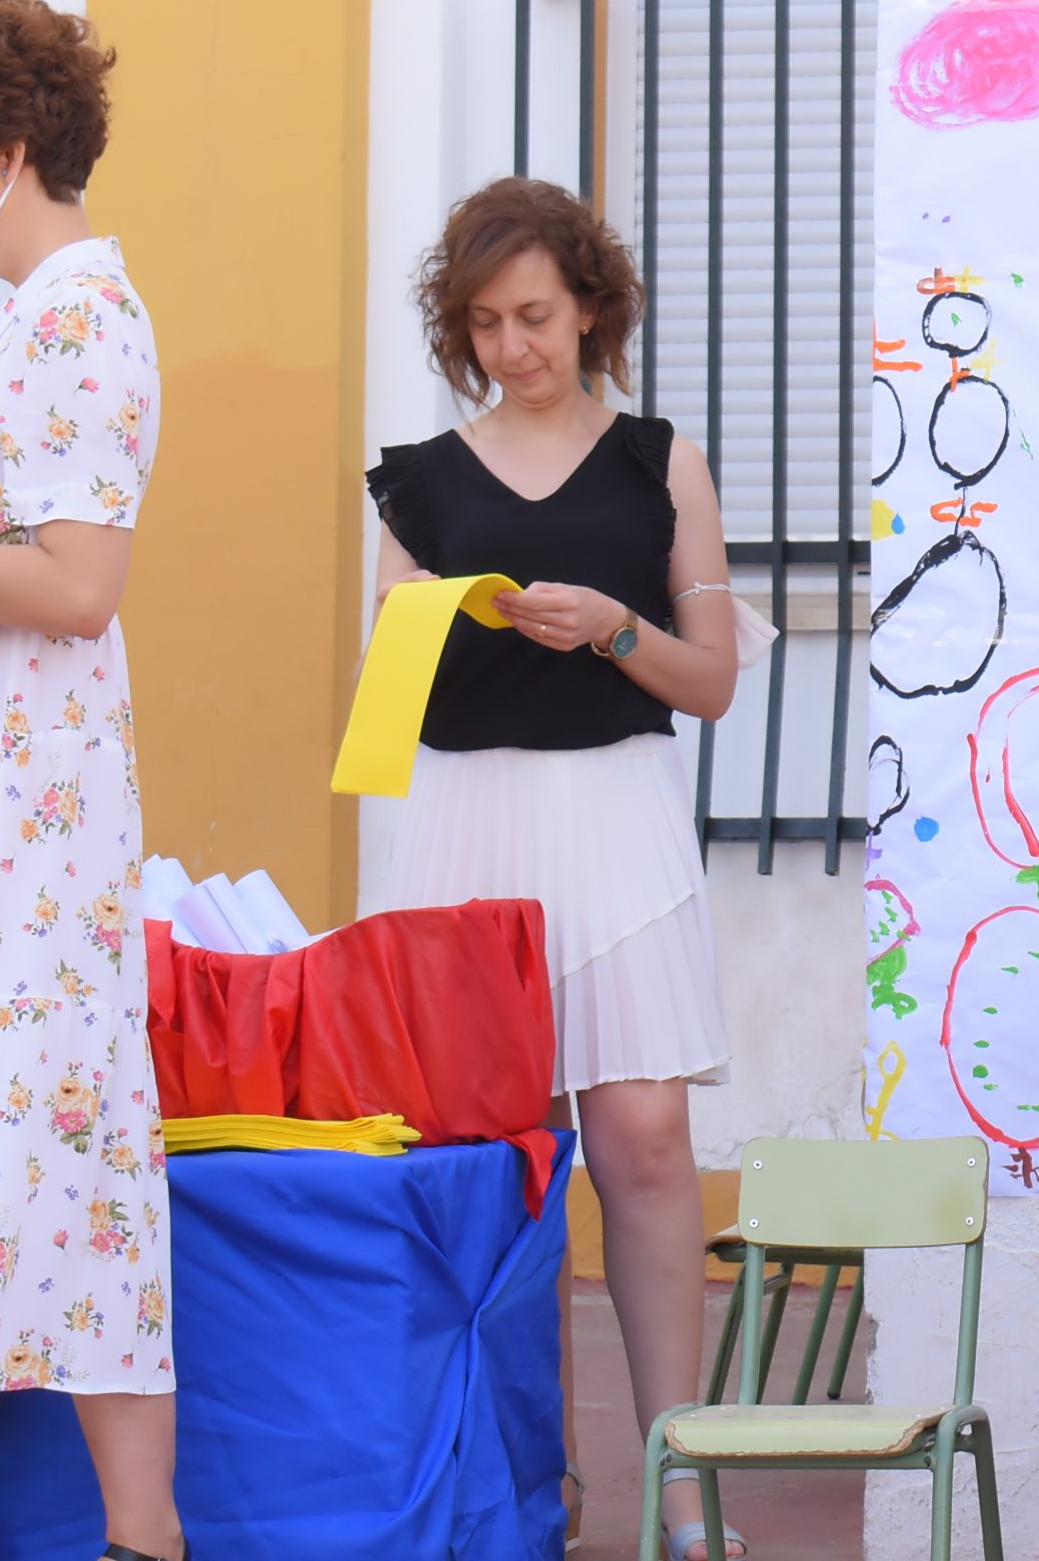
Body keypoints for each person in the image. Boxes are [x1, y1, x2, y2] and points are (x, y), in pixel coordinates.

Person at [360, 178, 748, 1561]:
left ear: (591, 303)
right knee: (498, 1163)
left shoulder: (661, 464)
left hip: (619, 817)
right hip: (469, 828)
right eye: (485, 322)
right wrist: (406, 631)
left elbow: (711, 683)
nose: (514, 345)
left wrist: (617, 630)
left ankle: (680, 1485)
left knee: (644, 1141)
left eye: (534, 314)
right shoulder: (416, 478)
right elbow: (383, 714)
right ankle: (534, 1486)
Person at [0, 0, 182, 1561]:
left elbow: (76, 583)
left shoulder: (79, 317)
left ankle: (142, 1537)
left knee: (68, 1155)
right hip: (7, 801)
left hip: (29, 819)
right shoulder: (35, 319)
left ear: (5, 150)